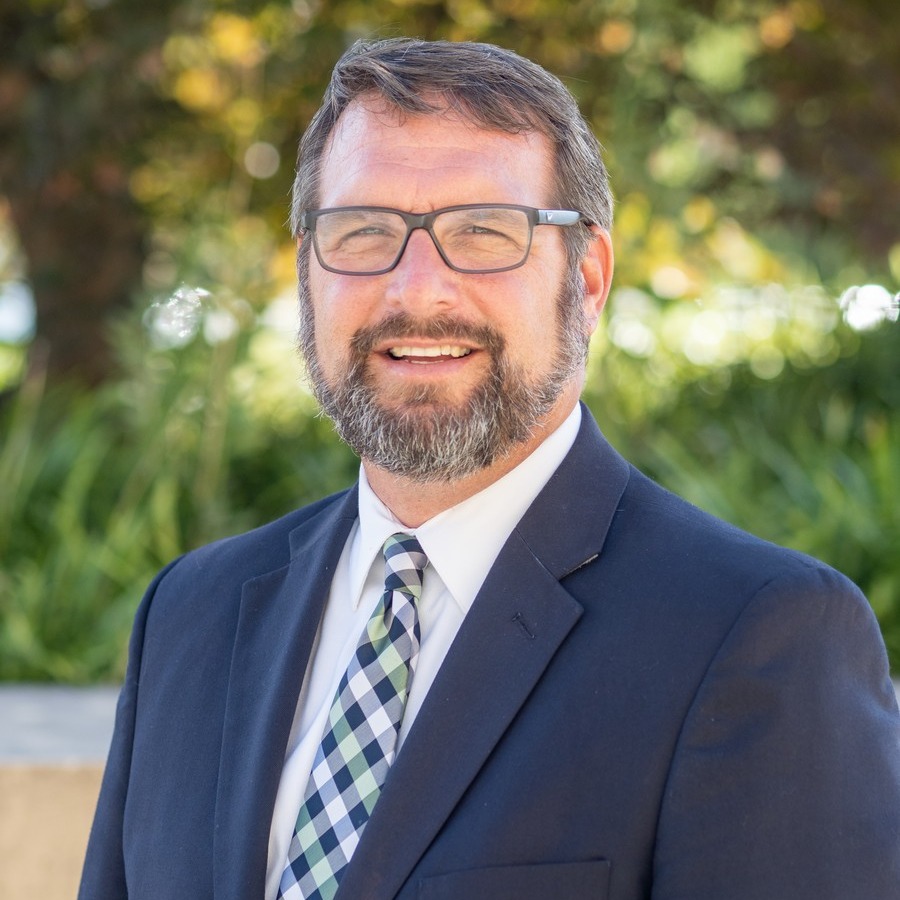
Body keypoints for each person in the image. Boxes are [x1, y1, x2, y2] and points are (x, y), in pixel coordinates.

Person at [79, 38, 900, 900]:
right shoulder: (190, 614)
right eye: (363, 232)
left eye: (483, 233)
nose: (418, 290)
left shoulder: (762, 637)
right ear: (306, 274)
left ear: (586, 278)